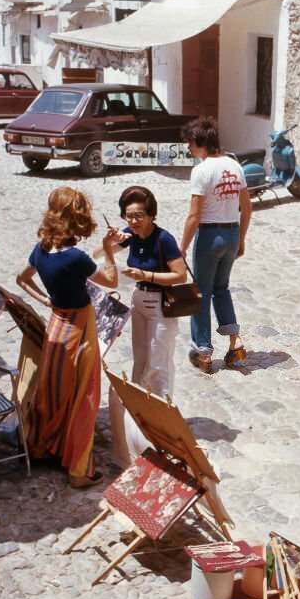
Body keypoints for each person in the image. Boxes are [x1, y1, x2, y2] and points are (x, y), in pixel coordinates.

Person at [17, 187, 119, 489]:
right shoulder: (76, 258)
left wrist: (45, 300)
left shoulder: (41, 250)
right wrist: (108, 249)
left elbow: (22, 279)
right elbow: (112, 280)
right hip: (80, 330)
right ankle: (78, 469)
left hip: (56, 327)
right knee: (84, 395)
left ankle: (42, 448)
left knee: (52, 391)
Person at [108, 185, 187, 468]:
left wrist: (145, 274)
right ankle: (141, 424)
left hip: (161, 305)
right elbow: (98, 254)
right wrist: (109, 241)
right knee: (140, 362)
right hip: (139, 302)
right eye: (128, 216)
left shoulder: (163, 239)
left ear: (151, 215)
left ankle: (165, 426)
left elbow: (179, 275)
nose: (133, 221)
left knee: (158, 364)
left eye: (139, 216)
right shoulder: (129, 235)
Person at [179, 116, 252, 373]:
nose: (188, 147)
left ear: (199, 142)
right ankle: (235, 340)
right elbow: (247, 207)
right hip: (231, 233)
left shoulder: (201, 171)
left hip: (210, 236)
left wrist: (182, 246)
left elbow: (194, 215)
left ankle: (203, 351)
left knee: (201, 293)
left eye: (189, 142)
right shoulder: (234, 166)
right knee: (222, 289)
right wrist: (241, 238)